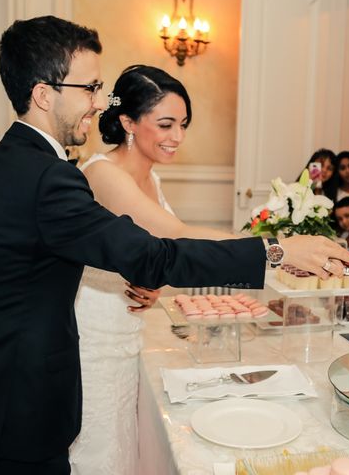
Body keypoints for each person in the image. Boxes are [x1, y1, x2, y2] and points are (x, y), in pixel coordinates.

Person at [0, 16, 349, 475]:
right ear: (43, 93)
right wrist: (276, 250)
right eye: (89, 88)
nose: (99, 102)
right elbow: (155, 252)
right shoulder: (48, 178)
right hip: (18, 402)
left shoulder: (0, 161)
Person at [69, 65, 243, 474]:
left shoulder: (154, 179)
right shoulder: (101, 173)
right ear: (128, 121)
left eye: (183, 124)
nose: (177, 137)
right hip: (94, 338)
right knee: (99, 449)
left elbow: (153, 252)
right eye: (165, 124)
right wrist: (273, 249)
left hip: (130, 332)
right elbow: (175, 233)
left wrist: (154, 282)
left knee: (124, 446)